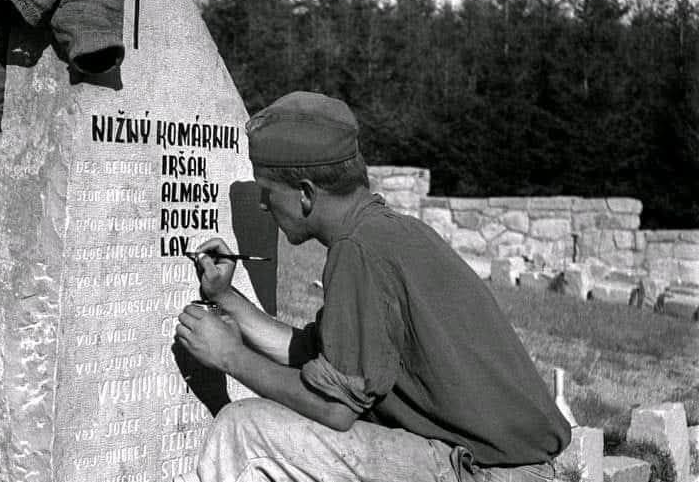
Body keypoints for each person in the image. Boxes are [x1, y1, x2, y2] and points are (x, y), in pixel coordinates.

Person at [174, 91, 571, 482]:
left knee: (244, 429)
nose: (263, 204)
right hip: (517, 466)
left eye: (268, 191)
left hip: (490, 473)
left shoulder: (357, 251)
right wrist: (227, 298)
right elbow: (324, 359)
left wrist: (230, 356)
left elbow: (334, 408)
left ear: (306, 194)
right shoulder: (389, 231)